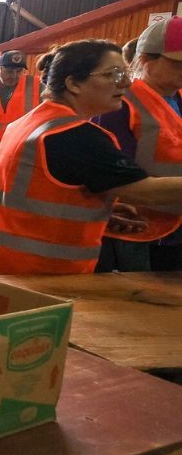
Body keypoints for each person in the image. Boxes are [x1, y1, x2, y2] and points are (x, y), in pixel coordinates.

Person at [0, 39, 182, 276]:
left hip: (0, 265)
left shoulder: (31, 122)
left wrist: (97, 211)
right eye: (113, 74)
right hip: (35, 275)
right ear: (74, 84)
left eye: (126, 73)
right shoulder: (75, 136)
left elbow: (36, 195)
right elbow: (146, 191)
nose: (127, 83)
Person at [95, 17, 182, 270]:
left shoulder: (177, 99)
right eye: (178, 63)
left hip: (174, 230)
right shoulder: (118, 104)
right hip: (138, 232)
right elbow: (112, 176)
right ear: (145, 59)